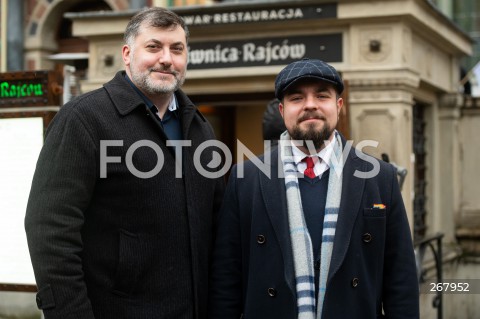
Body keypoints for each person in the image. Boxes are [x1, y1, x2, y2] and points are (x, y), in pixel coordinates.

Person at [25, 7, 224, 319]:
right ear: (127, 54)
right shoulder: (84, 119)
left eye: (177, 49)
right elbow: (50, 230)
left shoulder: (201, 129)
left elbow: (216, 229)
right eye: (154, 47)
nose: (167, 59)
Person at [208, 58, 419, 319]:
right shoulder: (245, 178)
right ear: (283, 110)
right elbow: (226, 281)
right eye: (297, 98)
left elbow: (401, 280)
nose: (310, 105)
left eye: (322, 96)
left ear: (338, 106)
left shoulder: (380, 177)